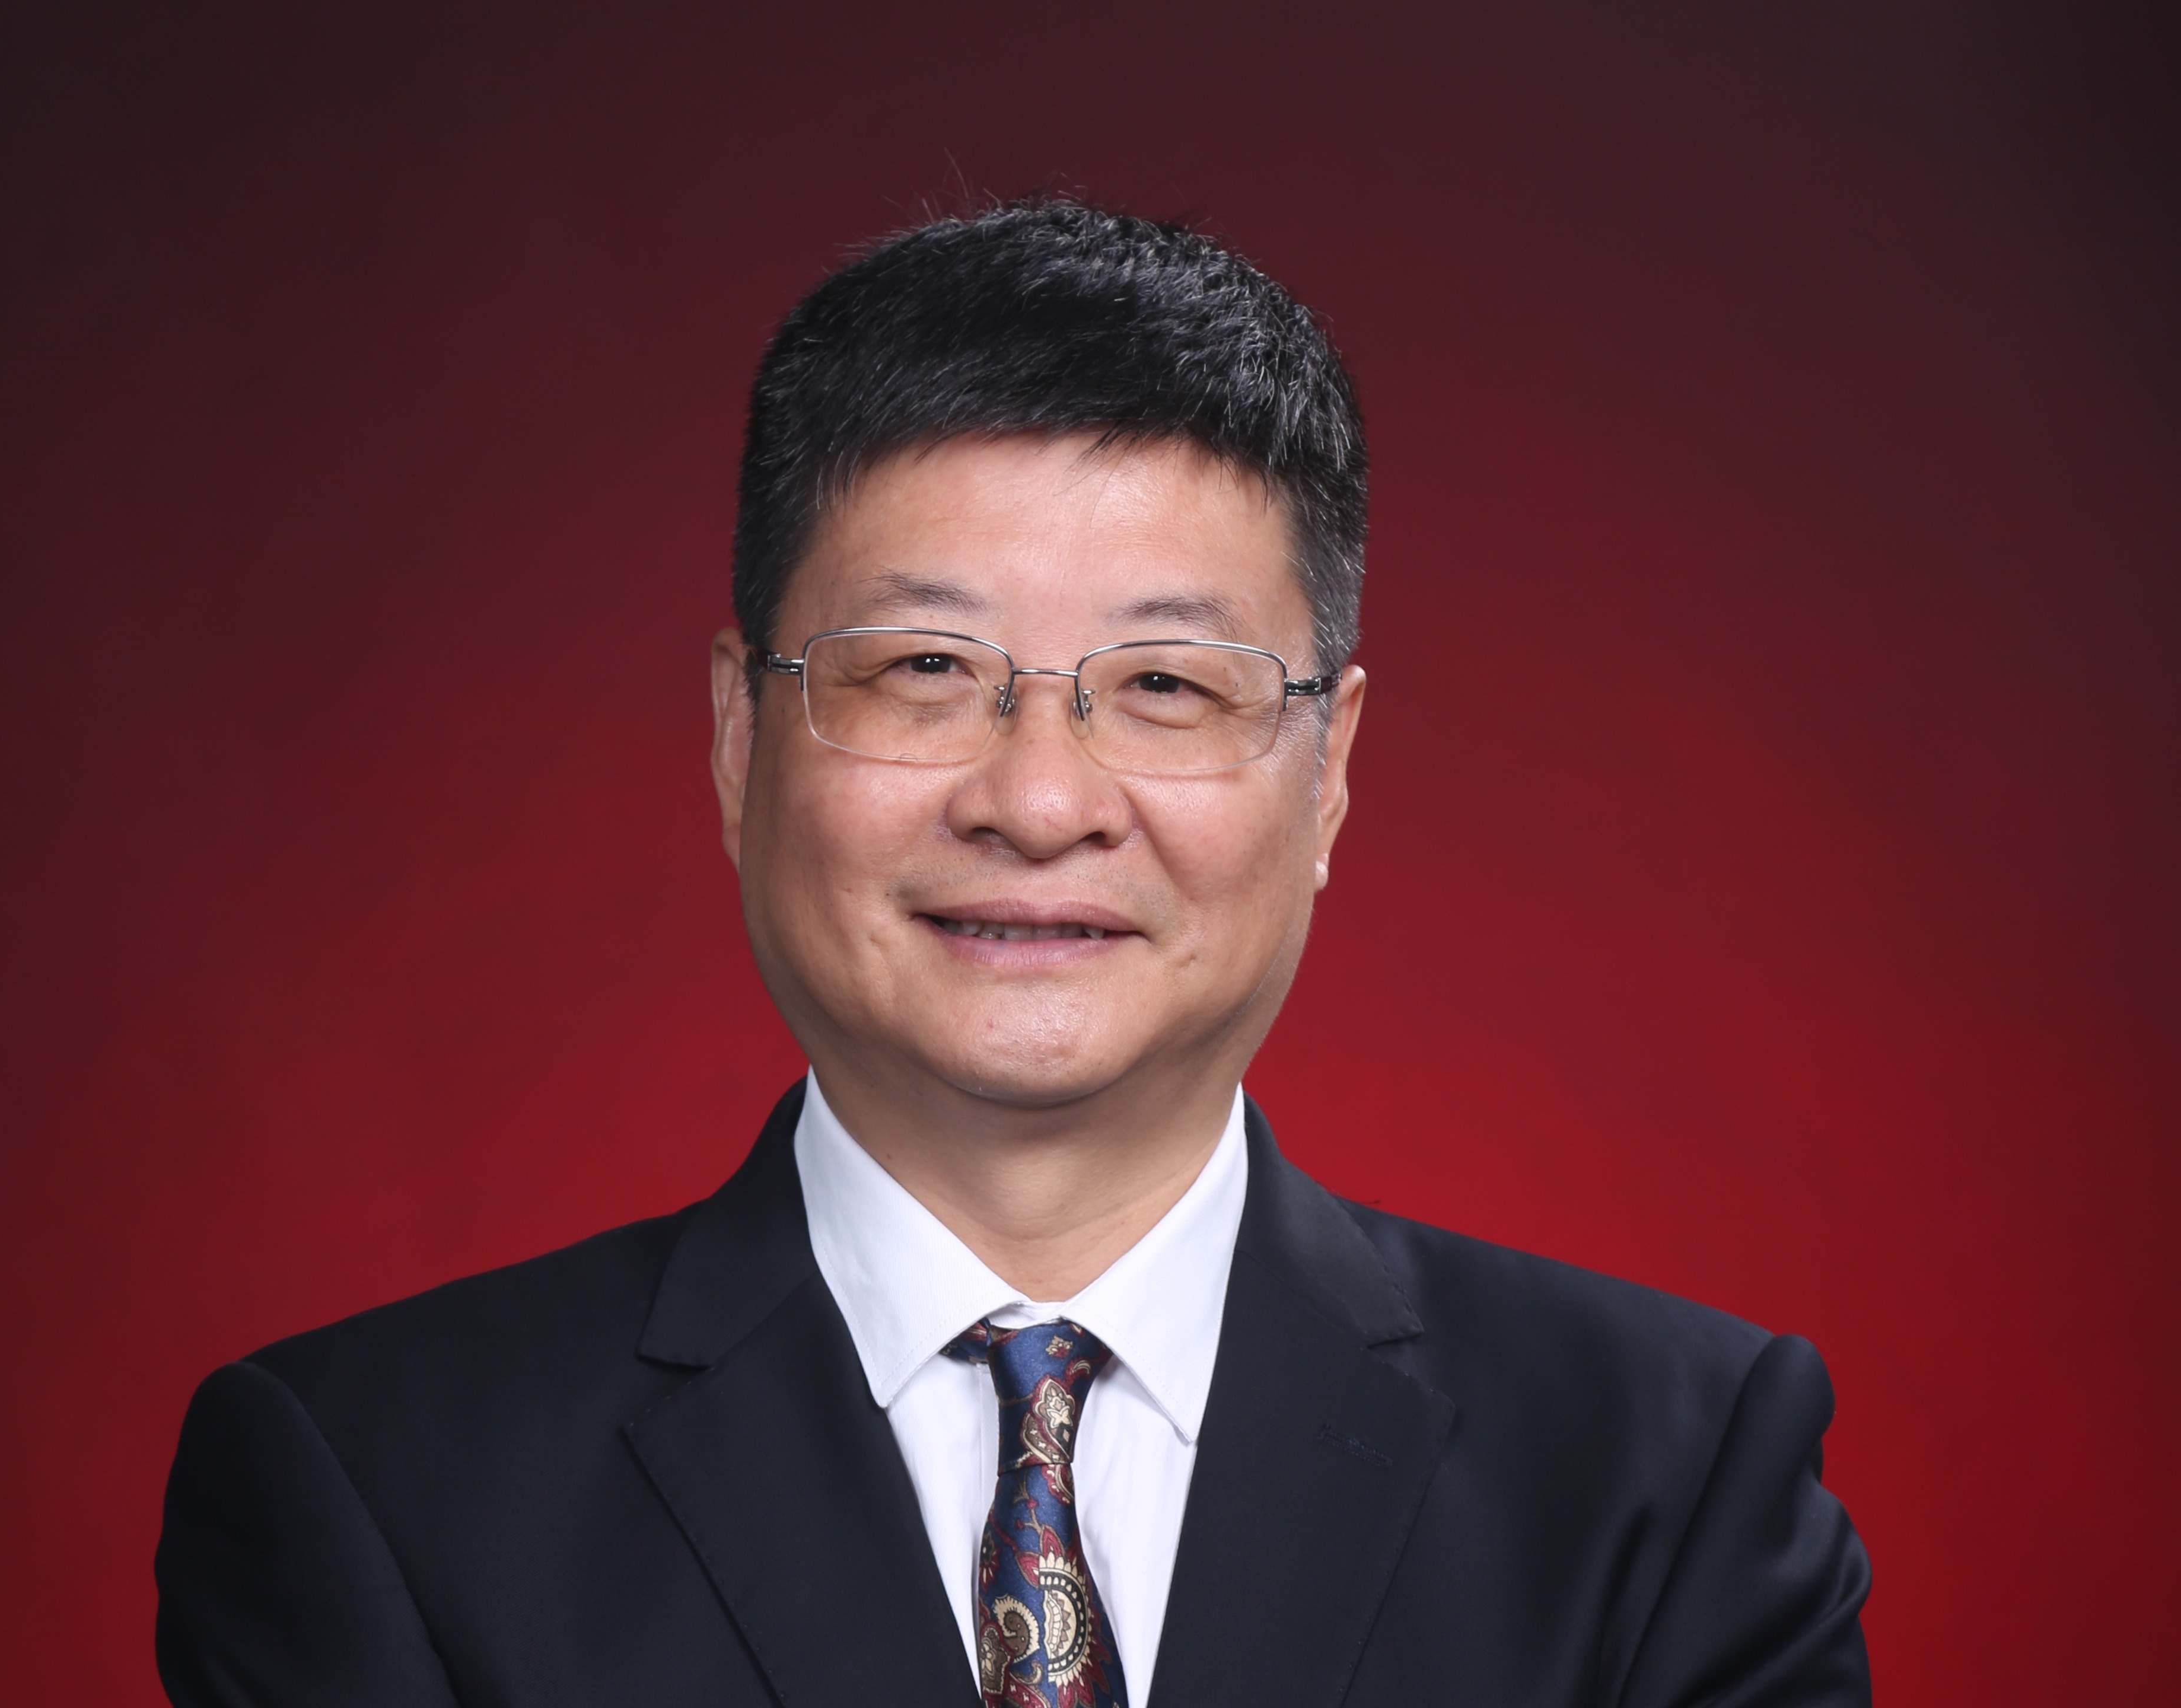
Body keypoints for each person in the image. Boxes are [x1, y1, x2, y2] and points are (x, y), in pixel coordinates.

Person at [155, 199, 1871, 1707]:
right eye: (924, 669)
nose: (1041, 802)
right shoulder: (373, 1485)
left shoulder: (1668, 1477)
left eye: (1167, 685)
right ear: (741, 740)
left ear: (1331, 771)